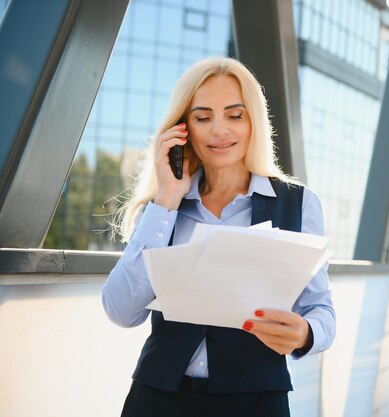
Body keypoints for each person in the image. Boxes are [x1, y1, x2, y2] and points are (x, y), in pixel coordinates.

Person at [102, 56, 335, 417]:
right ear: (183, 128)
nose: (219, 130)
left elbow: (322, 310)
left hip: (256, 401)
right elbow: (121, 311)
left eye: (234, 115)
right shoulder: (161, 208)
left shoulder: (299, 204)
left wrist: (305, 332)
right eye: (203, 117)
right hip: (157, 400)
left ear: (253, 121)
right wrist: (166, 200)